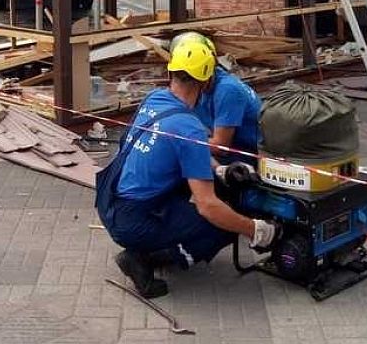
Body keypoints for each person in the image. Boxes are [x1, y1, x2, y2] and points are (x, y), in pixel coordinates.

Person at [96, 36, 278, 298]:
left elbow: (179, 149)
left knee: (200, 194)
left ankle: (146, 245)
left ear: (171, 70)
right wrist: (256, 230)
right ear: (205, 81)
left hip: (109, 200)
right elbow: (208, 206)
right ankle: (144, 260)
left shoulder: (154, 98)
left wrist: (219, 170)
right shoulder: (188, 127)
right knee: (223, 223)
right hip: (132, 220)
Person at [174, 32, 262, 165]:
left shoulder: (228, 91)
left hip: (246, 154)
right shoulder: (202, 84)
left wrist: (179, 140)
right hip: (227, 145)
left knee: (185, 159)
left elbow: (221, 147)